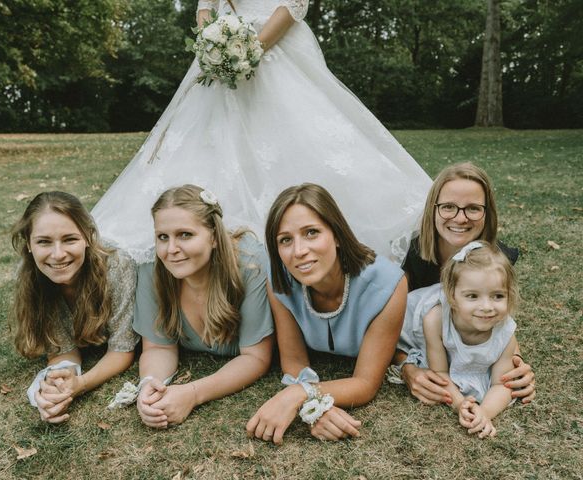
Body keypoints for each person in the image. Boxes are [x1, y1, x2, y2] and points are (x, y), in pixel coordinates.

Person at [91, 0, 431, 265]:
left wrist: (249, 50)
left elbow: (295, 4)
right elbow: (205, 6)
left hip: (276, 46)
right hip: (218, 54)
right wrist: (215, 44)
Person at [246, 184, 407, 444]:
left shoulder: (388, 284)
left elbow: (365, 383)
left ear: (337, 235)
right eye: (285, 239)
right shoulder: (280, 280)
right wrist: (317, 408)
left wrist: (296, 394)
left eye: (311, 233)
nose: (298, 251)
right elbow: (295, 360)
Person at [395, 162, 535, 405]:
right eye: (448, 207)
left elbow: (499, 322)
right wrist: (407, 368)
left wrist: (517, 363)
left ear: (487, 213)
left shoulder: (500, 259)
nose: (460, 218)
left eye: (473, 208)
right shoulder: (411, 255)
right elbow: (390, 327)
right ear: (433, 209)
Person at [133, 185, 273, 428]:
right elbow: (158, 347)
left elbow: (256, 357)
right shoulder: (151, 270)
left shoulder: (251, 266)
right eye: (162, 237)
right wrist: (149, 384)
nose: (171, 250)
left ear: (215, 237)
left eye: (185, 235)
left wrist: (193, 393)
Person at [11, 191, 139, 423]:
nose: (58, 254)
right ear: (29, 244)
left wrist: (80, 385)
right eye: (44, 242)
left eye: (69, 239)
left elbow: (122, 349)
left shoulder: (118, 267)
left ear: (88, 237)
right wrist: (56, 388)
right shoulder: (32, 275)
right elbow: (63, 350)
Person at [410, 241, 520, 438]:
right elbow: (440, 372)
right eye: (472, 296)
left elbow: (502, 383)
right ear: (452, 295)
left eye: (497, 296)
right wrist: (459, 403)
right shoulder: (434, 320)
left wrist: (484, 412)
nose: (487, 306)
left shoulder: (505, 333)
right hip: (408, 322)